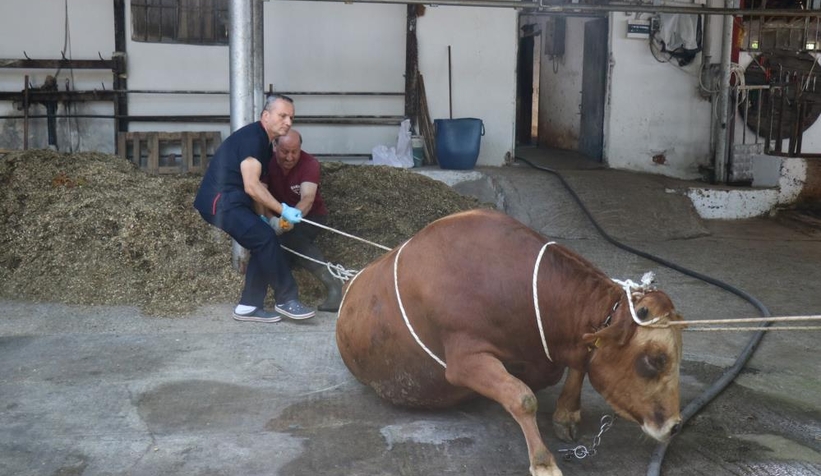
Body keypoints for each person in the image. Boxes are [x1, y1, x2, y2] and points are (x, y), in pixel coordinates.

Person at [193, 94, 315, 323]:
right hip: (222, 202)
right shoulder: (254, 140)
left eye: (291, 117)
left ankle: (248, 306)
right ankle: (286, 299)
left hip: (232, 201)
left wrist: (262, 217)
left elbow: (258, 186)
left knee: (264, 240)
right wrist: (282, 210)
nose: (288, 122)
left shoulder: (264, 143)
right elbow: (251, 186)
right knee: (266, 239)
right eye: (282, 115)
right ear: (265, 116)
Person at [265, 129, 342, 312]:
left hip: (311, 216)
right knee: (275, 242)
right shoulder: (265, 163)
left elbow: (308, 198)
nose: (290, 157)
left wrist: (292, 217)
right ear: (275, 147)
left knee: (293, 239)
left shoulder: (310, 164)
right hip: (275, 213)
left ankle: (334, 286)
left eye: (295, 151)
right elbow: (260, 196)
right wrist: (271, 219)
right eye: (285, 151)